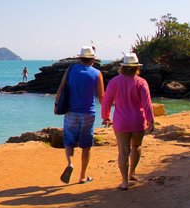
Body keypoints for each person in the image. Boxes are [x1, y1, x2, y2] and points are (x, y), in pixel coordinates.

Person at [101, 53, 155, 190]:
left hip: (121, 122)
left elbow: (107, 101)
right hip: (138, 121)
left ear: (123, 67)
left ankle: (124, 182)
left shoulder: (114, 82)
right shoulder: (141, 82)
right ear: (136, 67)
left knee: (123, 152)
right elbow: (147, 104)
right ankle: (132, 173)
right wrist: (151, 120)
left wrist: (105, 117)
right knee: (136, 147)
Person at [54, 46, 105, 184]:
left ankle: (70, 163)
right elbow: (101, 96)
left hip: (71, 112)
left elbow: (61, 88)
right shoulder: (97, 73)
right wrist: (106, 114)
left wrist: (57, 105)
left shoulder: (71, 69)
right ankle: (82, 176)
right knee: (86, 145)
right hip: (88, 113)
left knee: (69, 141)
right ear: (93, 59)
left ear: (79, 58)